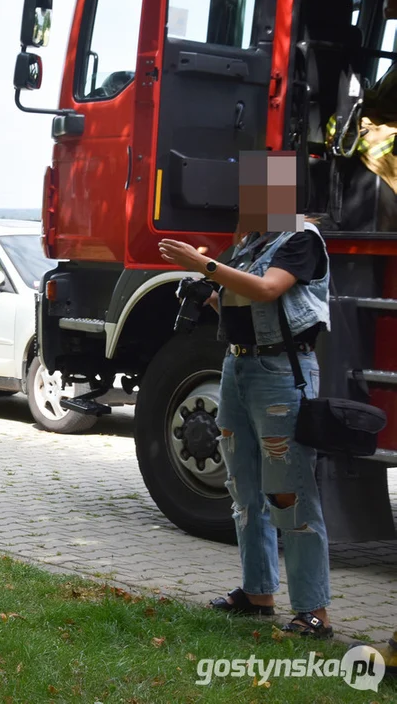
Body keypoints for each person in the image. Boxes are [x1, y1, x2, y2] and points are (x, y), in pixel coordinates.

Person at [159, 200, 333, 638]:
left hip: (281, 372)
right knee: (244, 488)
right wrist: (209, 291)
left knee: (288, 492)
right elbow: (242, 305)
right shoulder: (253, 244)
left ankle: (314, 612)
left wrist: (205, 263)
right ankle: (257, 595)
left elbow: (269, 290)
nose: (240, 211)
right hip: (239, 367)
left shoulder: (300, 240)